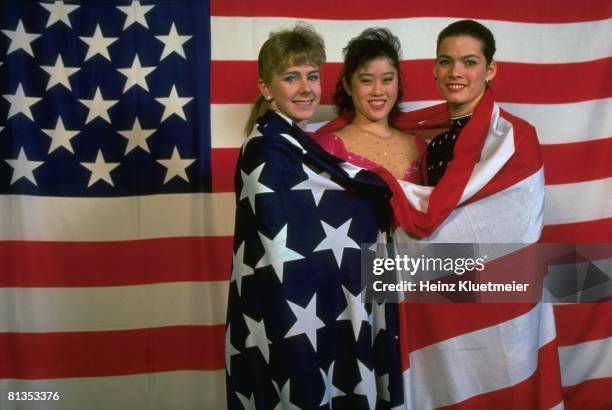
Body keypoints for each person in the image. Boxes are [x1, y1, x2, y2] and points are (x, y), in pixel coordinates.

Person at [226, 23, 404, 409]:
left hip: (309, 307)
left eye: (312, 76)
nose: (306, 88)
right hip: (285, 311)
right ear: (266, 87)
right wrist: (377, 198)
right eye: (291, 78)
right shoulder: (266, 149)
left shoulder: (295, 142)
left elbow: (327, 199)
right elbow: (293, 234)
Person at [317, 28, 425, 182]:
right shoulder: (327, 148)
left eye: (387, 79)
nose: (377, 91)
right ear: (348, 85)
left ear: (398, 82)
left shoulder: (418, 146)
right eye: (366, 80)